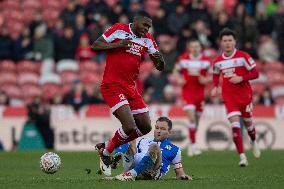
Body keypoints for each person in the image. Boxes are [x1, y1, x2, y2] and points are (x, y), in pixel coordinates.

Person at [91, 11, 165, 176]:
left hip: (131, 88)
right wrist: (118, 45)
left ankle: (106, 146)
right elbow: (95, 45)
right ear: (135, 21)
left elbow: (159, 66)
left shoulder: (148, 39)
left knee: (145, 126)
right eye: (144, 25)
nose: (146, 29)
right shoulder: (118, 29)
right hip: (112, 85)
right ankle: (106, 153)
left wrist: (160, 60)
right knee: (130, 125)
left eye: (149, 27)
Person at [211, 28, 261, 167]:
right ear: (221, 43)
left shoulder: (243, 56)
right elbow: (215, 74)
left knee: (248, 124)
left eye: (230, 40)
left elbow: (256, 73)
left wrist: (241, 78)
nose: (227, 43)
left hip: (245, 96)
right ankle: (242, 157)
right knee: (235, 125)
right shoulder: (218, 61)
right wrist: (215, 86)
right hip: (229, 96)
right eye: (225, 41)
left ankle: (253, 140)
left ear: (235, 42)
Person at [111, 117, 192, 181]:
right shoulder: (144, 140)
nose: (158, 131)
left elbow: (179, 173)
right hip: (136, 164)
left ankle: (129, 175)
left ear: (169, 132)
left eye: (163, 129)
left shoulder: (175, 150)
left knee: (155, 147)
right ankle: (117, 161)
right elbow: (133, 153)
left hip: (152, 171)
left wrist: (183, 176)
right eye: (157, 128)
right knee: (129, 137)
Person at [173, 39, 211, 156]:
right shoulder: (183, 59)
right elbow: (175, 71)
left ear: (200, 48)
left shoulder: (206, 61)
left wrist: (206, 79)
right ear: (189, 48)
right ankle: (194, 146)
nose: (195, 48)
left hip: (200, 94)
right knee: (191, 118)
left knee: (196, 121)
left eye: (197, 46)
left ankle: (191, 142)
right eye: (193, 46)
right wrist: (179, 79)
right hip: (187, 92)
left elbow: (213, 76)